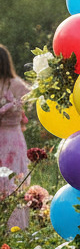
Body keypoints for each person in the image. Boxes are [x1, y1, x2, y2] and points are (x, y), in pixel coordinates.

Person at [0, 45, 29, 195]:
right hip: (13, 136)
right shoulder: (17, 83)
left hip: (12, 139)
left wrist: (15, 105)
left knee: (13, 177)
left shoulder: (15, 84)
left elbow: (30, 96)